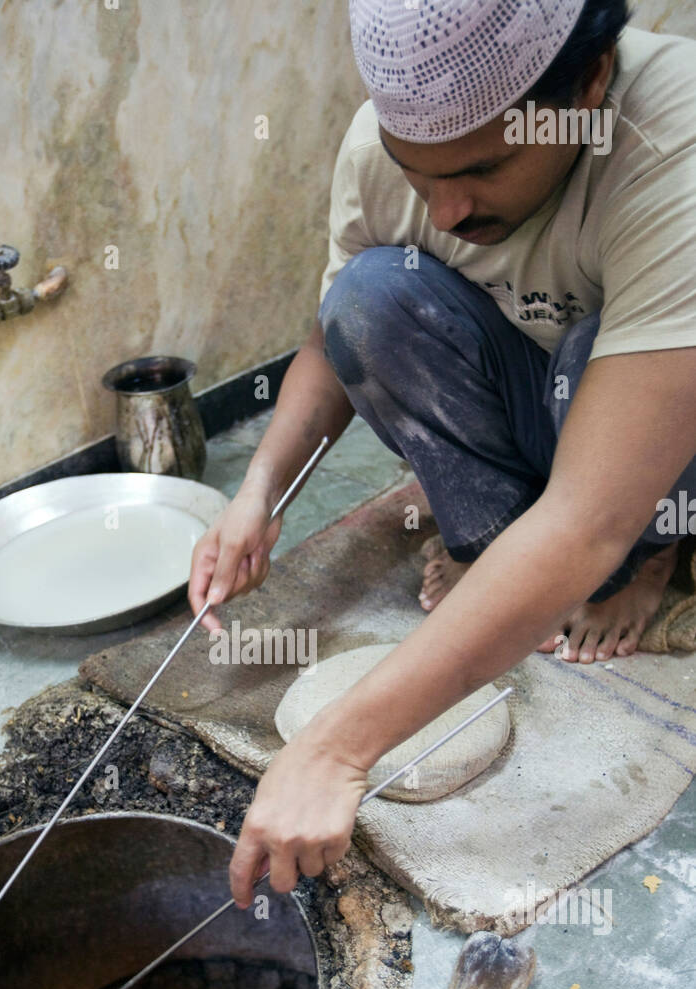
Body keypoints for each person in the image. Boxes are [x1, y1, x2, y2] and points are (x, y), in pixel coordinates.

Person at [187, 0, 696, 909]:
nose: (450, 212)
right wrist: (257, 494)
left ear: (588, 86)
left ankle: (648, 559)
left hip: (651, 430)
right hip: (543, 406)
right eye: (418, 179)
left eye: (482, 170)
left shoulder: (675, 142)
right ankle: (501, 550)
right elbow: (334, 338)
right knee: (372, 296)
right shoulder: (384, 147)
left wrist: (337, 749)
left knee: (599, 396)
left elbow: (587, 514)